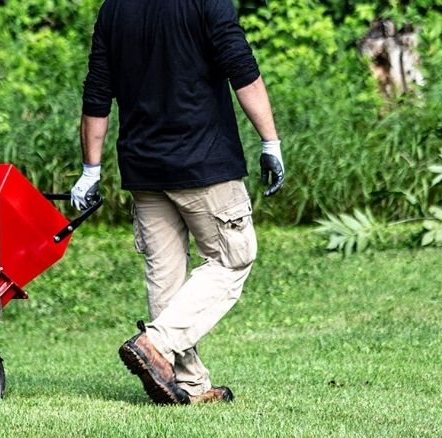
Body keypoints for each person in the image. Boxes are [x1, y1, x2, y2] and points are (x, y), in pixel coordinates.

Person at [70, 0, 284, 405]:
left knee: (166, 280)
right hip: (204, 165)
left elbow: (97, 90)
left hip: (144, 169)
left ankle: (187, 384)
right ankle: (156, 344)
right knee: (234, 257)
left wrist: (91, 170)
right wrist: (270, 142)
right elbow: (243, 71)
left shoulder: (114, 8)